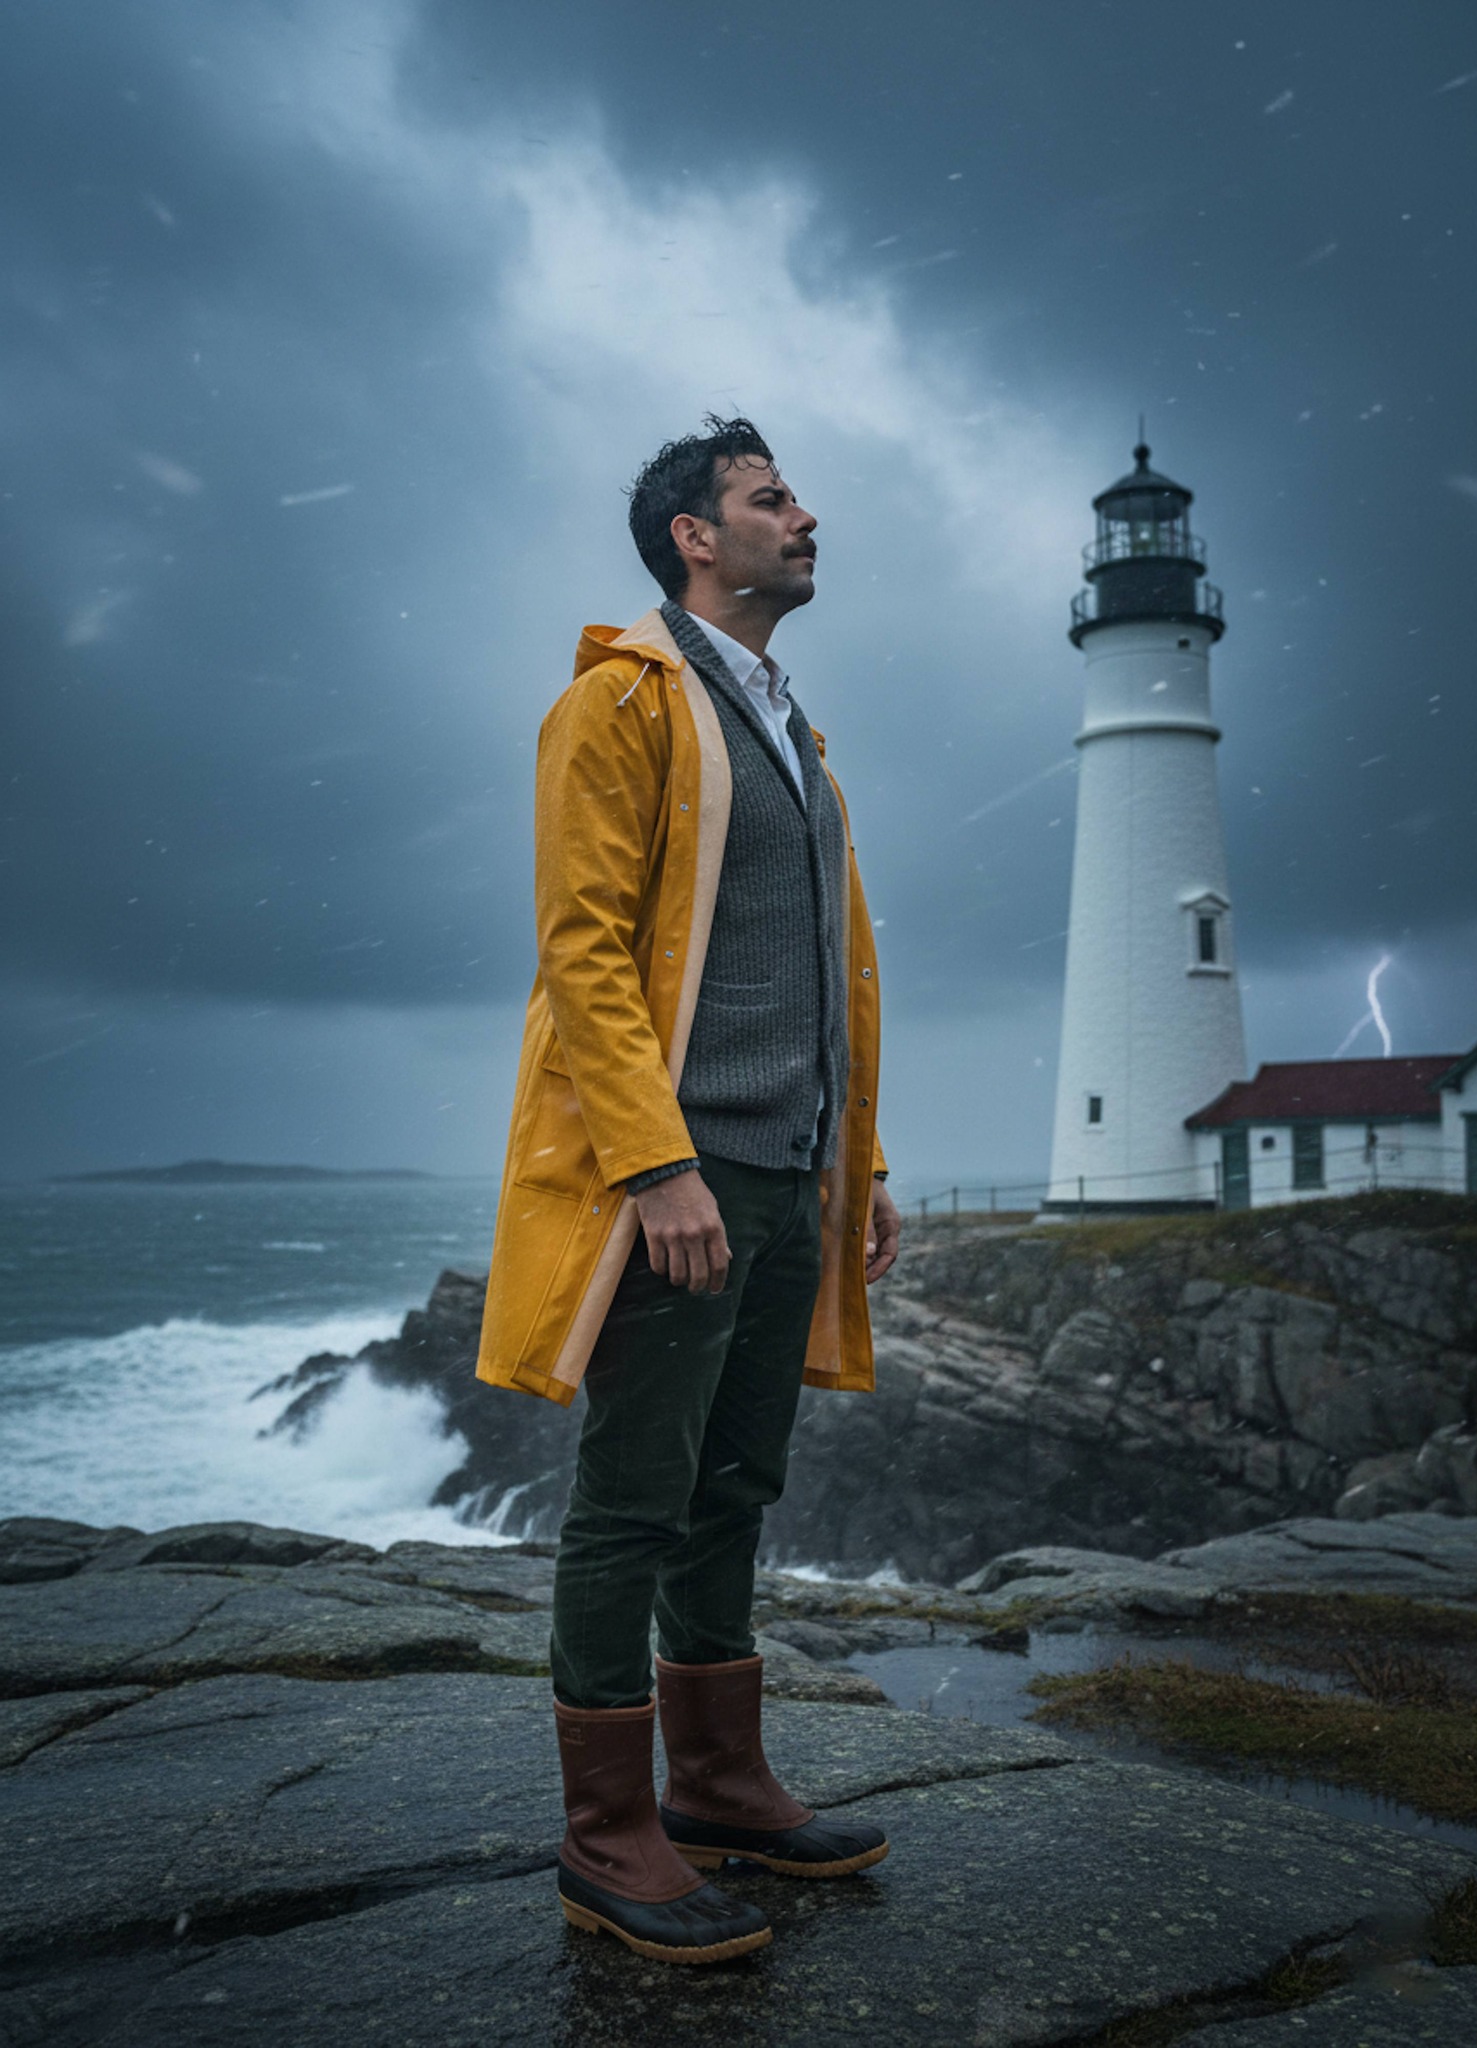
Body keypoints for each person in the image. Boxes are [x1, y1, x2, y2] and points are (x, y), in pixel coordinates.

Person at [476, 416, 900, 1964]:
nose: (807, 516)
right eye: (769, 499)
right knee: (635, 1495)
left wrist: (859, 1163)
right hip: (684, 1169)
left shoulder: (793, 727)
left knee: (737, 1483)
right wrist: (654, 1164)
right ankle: (606, 1833)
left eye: (792, 494)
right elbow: (583, 949)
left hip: (791, 1168)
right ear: (691, 541)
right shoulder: (617, 704)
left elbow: (822, 976)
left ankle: (719, 1782)